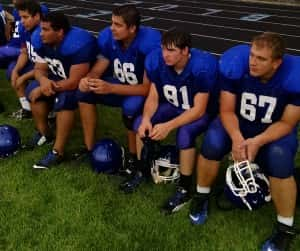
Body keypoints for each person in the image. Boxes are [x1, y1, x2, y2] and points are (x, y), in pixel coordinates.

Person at [191, 32, 300, 251]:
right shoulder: (235, 65)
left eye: (261, 59)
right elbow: (227, 110)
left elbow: (288, 123)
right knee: (212, 141)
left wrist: (258, 141)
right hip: (239, 123)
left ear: (277, 62)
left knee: (279, 159)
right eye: (252, 55)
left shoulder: (294, 77)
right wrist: (238, 139)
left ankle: (285, 227)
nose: (253, 61)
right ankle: (201, 196)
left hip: (273, 129)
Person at [119, 28, 218, 214]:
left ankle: (185, 188)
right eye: (164, 48)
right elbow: (154, 96)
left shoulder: (202, 67)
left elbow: (199, 109)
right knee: (141, 122)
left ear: (186, 51)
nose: (165, 54)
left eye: (171, 50)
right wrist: (147, 119)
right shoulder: (156, 60)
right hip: (173, 104)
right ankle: (142, 170)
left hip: (199, 111)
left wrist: (168, 126)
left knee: (184, 134)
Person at [76, 4, 161, 170]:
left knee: (131, 107)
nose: (112, 28)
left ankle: (133, 156)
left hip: (143, 92)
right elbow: (100, 65)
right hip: (122, 86)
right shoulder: (109, 38)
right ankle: (89, 148)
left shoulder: (148, 43)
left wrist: (111, 88)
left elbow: (147, 88)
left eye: (118, 25)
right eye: (112, 23)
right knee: (84, 93)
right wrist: (88, 79)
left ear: (132, 29)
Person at [25, 12, 97, 169]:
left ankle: (58, 151)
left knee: (64, 99)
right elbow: (39, 69)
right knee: (32, 89)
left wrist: (47, 88)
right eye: (41, 29)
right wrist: (43, 82)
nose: (41, 33)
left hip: (78, 84)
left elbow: (73, 82)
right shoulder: (40, 39)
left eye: (46, 30)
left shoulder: (79, 44)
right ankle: (44, 133)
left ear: (60, 32)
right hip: (56, 78)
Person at [9, 0, 43, 120]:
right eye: (21, 17)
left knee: (33, 86)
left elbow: (45, 67)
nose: (22, 21)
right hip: (34, 63)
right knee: (12, 69)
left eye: (25, 17)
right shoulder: (23, 28)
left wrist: (23, 76)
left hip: (47, 69)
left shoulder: (43, 33)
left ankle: (51, 113)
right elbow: (24, 52)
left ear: (37, 16)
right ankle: (26, 108)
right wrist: (16, 70)